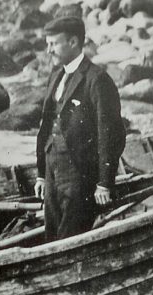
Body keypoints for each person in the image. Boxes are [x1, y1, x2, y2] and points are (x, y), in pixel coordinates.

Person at [35, 16, 126, 241]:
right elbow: (46, 126)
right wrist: (40, 175)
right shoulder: (56, 76)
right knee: (52, 233)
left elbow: (110, 133)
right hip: (52, 169)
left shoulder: (97, 79)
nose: (49, 51)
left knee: (71, 237)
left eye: (53, 44)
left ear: (74, 42)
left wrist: (105, 183)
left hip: (79, 173)